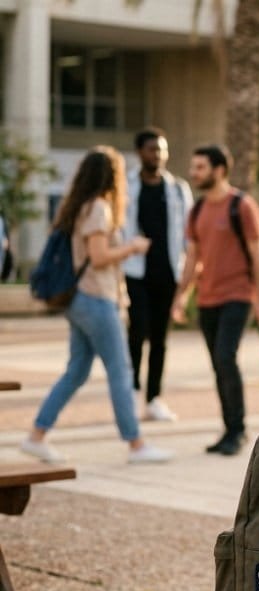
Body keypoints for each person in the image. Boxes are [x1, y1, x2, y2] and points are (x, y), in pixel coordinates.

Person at [21, 147, 172, 464]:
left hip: (81, 299)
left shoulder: (80, 206)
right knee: (120, 370)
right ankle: (136, 444)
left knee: (77, 370)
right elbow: (100, 256)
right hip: (95, 298)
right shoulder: (99, 208)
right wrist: (133, 247)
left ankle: (37, 435)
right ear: (112, 177)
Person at [171, 145, 259, 456]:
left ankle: (238, 430)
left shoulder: (242, 206)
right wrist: (181, 297)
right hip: (207, 298)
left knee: (225, 356)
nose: (194, 172)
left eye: (200, 167)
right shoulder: (198, 210)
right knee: (218, 363)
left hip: (238, 294)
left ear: (218, 170)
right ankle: (229, 428)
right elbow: (193, 258)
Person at [122, 127, 193, 423]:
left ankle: (154, 399)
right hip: (135, 272)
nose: (159, 155)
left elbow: (189, 235)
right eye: (153, 149)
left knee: (161, 340)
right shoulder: (126, 186)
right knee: (136, 334)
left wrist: (188, 278)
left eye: (162, 150)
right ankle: (131, 394)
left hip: (168, 273)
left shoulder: (177, 189)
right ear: (141, 152)